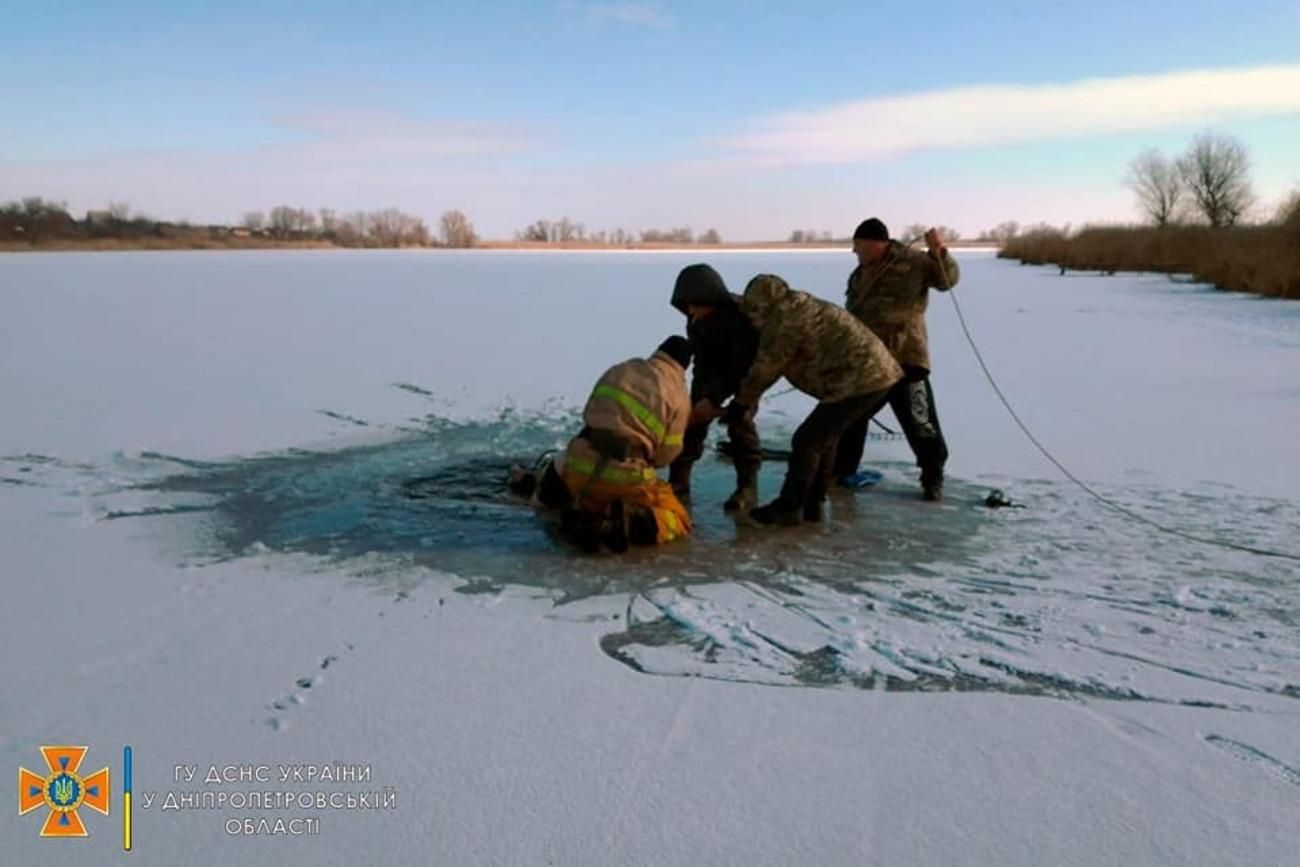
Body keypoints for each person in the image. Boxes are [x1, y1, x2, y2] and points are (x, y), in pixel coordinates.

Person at [723, 275, 903, 526]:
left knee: (807, 441)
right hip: (872, 375)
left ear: (765, 305)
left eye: (755, 311)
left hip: (861, 379)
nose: (753, 319)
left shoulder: (785, 320)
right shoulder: (793, 305)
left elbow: (767, 367)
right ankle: (813, 504)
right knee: (823, 441)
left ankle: (790, 506)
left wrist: (741, 403)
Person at [507, 336, 694, 552]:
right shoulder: (679, 395)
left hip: (578, 466)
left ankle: (548, 495)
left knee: (562, 463)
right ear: (684, 366)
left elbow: (590, 415)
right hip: (626, 479)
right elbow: (665, 456)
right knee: (678, 519)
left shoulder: (620, 370)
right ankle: (624, 523)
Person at [833, 218, 961, 501]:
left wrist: (939, 252)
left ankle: (932, 478)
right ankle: (842, 472)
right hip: (870, 363)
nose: (855, 252)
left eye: (858, 246)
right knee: (850, 416)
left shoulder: (913, 262)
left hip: (906, 359)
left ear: (875, 243)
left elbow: (946, 280)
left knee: (921, 421)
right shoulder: (859, 275)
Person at [667, 264, 761, 512]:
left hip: (748, 374)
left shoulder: (742, 318)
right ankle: (678, 480)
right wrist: (700, 397)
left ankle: (747, 487)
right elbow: (702, 359)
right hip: (713, 373)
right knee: (692, 421)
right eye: (686, 306)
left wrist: (714, 397)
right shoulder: (696, 319)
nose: (690, 311)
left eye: (694, 305)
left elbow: (741, 367)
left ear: (710, 298)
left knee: (741, 423)